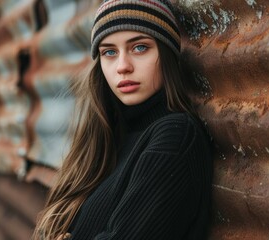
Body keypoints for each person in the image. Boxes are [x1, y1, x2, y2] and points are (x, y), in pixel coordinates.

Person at [33, 0, 213, 239]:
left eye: (139, 47)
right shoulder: (106, 139)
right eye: (109, 52)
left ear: (166, 52)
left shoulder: (175, 137)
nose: (122, 67)